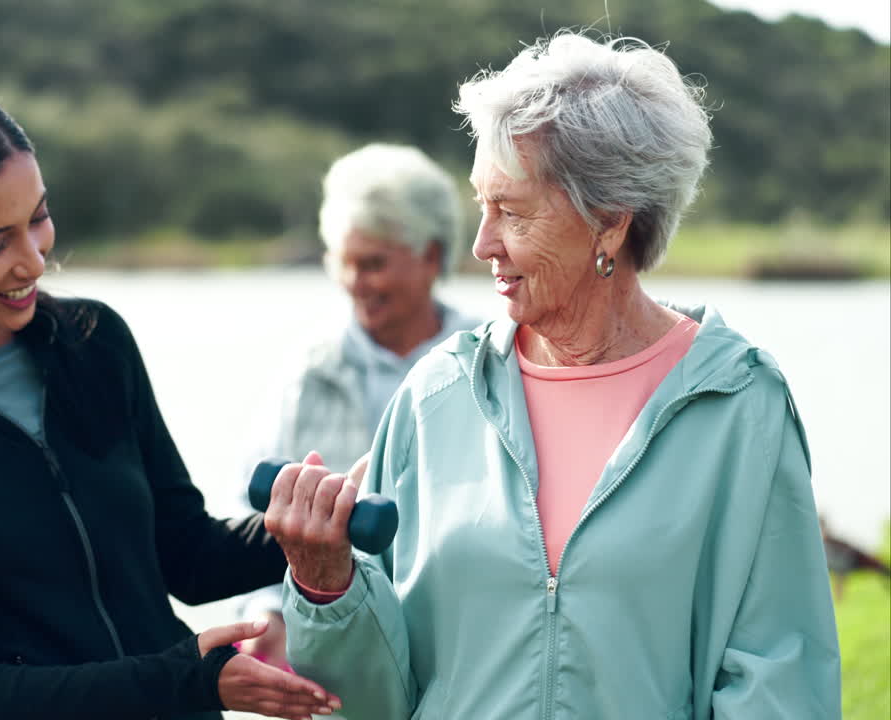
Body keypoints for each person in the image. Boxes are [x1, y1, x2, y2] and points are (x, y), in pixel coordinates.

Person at [262, 32, 840, 719]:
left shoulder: (742, 406)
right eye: (481, 207)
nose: (482, 245)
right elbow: (373, 702)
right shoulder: (436, 396)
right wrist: (328, 587)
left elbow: (780, 683)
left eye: (512, 211)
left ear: (610, 221)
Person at [0, 76, 341, 720]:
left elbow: (187, 556)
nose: (33, 260)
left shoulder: (95, 344)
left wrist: (322, 516)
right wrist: (185, 681)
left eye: (37, 218)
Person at [236, 143, 480, 669]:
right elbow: (253, 510)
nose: (355, 283)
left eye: (373, 264)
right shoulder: (306, 370)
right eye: (344, 264)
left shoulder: (491, 364)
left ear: (432, 256)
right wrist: (269, 612)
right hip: (334, 650)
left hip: (458, 651)